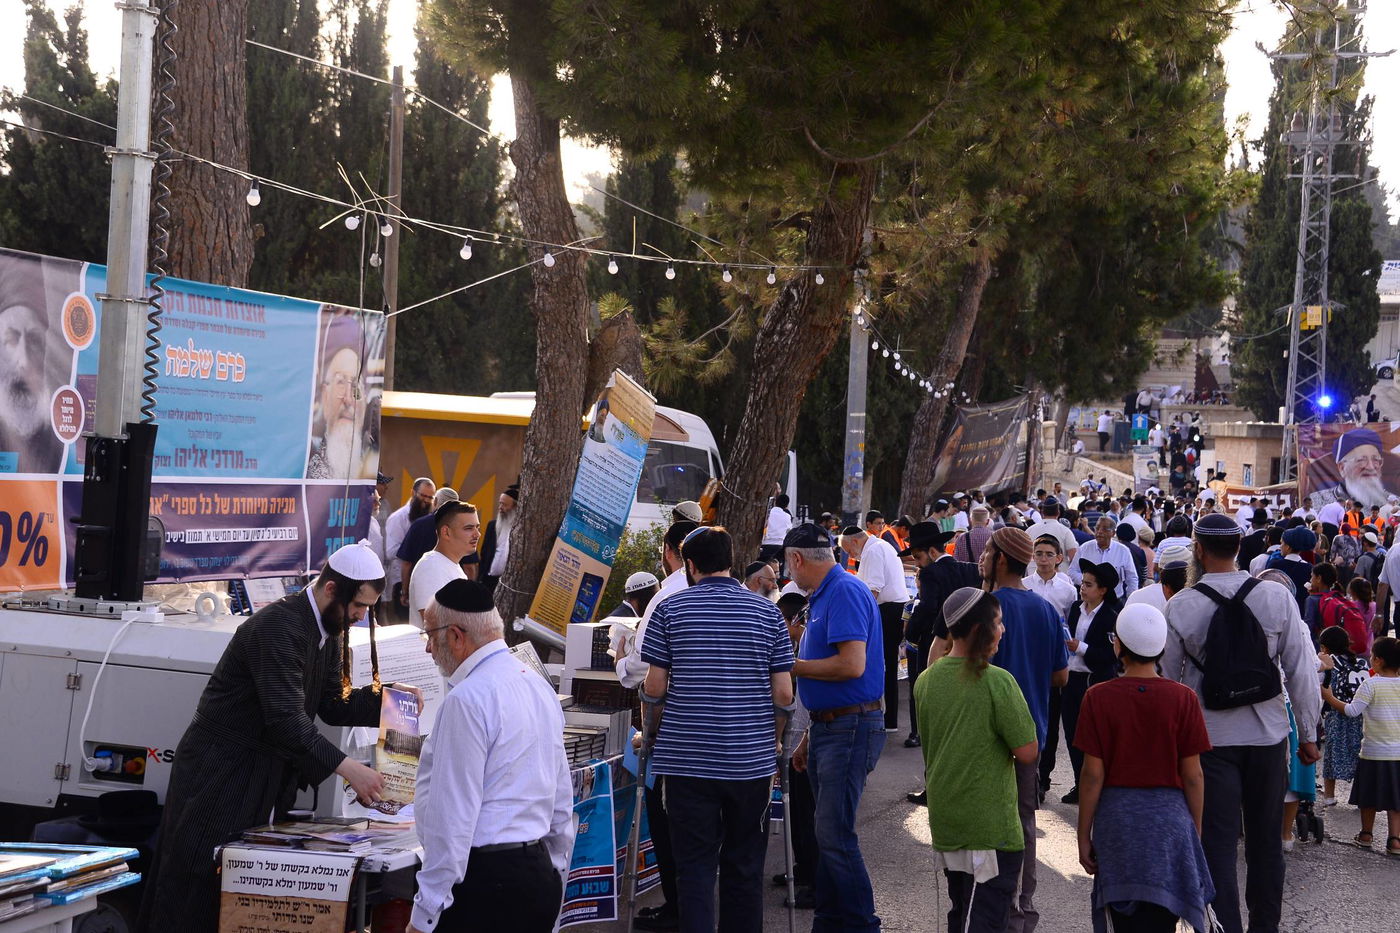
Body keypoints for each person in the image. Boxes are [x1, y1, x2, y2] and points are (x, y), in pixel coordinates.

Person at [139, 543, 420, 931]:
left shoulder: (329, 626)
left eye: (368, 608)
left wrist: (389, 699)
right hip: (221, 771)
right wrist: (350, 769)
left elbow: (332, 704)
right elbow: (286, 719)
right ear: (331, 589)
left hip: (263, 772)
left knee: (243, 885)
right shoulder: (278, 626)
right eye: (359, 606)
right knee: (199, 880)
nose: (361, 616)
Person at [1160, 513, 1322, 933]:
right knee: (1267, 842)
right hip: (1268, 736)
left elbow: (1168, 685)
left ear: (1198, 550)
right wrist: (1308, 735)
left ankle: (1222, 927)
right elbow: (1301, 672)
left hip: (1209, 741)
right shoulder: (1276, 598)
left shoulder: (1181, 605)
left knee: (1216, 842)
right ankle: (1264, 926)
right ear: (1238, 548)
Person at [640, 526, 795, 932]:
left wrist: (650, 731)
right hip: (750, 762)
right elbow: (783, 693)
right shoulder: (767, 614)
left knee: (693, 867)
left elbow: (654, 687)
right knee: (744, 866)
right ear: (732, 562)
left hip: (686, 761)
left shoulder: (669, 610)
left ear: (690, 566)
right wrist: (774, 739)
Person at [410, 579, 573, 933]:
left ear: (455, 636)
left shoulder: (467, 699)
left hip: (485, 887)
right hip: (534, 875)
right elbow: (561, 799)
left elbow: (452, 818)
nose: (428, 649)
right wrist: (556, 872)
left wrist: (424, 915)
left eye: (429, 635)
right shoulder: (537, 685)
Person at [929, 527, 1067, 933]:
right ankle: (1020, 908)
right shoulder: (1044, 610)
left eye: (988, 550)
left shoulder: (985, 611)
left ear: (1002, 558)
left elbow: (947, 667)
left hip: (985, 740)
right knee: (1021, 824)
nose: (982, 556)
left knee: (985, 828)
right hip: (1031, 737)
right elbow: (1060, 676)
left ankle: (982, 907)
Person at [1074, 603, 1214, 933]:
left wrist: (1083, 835)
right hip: (1170, 824)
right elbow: (1193, 775)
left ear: (1118, 645)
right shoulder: (1183, 698)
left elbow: (1093, 775)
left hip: (1117, 823)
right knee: (1162, 921)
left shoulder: (1098, 697)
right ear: (1161, 648)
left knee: (1122, 922)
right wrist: (1194, 828)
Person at [916, 588, 1038, 933]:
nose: (1003, 630)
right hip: (992, 826)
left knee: (961, 911)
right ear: (977, 630)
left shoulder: (926, 681)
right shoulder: (997, 681)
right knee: (988, 919)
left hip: (948, 820)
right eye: (998, 623)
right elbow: (1028, 751)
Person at [785, 522, 886, 932]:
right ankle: (829, 923)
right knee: (828, 835)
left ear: (796, 558)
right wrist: (811, 734)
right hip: (834, 727)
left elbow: (852, 665)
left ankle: (863, 925)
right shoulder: (829, 592)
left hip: (850, 727)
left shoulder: (843, 591)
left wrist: (791, 665)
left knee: (835, 835)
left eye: (787, 565)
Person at [613, 519, 696, 932]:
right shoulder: (743, 599)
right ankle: (692, 907)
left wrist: (620, 659)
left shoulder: (669, 594)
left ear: (669, 552)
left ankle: (680, 908)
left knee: (671, 821)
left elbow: (644, 670)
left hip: (676, 729)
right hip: (728, 737)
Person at [903, 522, 979, 776]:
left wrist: (910, 633)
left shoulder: (930, 574)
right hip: (965, 646)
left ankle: (933, 777)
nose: (918, 563)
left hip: (933, 644)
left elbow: (926, 608)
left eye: (918, 557)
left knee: (931, 704)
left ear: (931, 552)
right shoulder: (968, 570)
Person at [1321, 635, 1400, 855]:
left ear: (1378, 661)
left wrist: (1329, 697)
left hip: (1373, 752)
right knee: (1397, 800)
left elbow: (1352, 711)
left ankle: (1366, 834)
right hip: (1398, 753)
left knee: (1368, 796)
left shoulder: (1371, 685)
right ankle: (1395, 840)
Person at [1059, 561, 1122, 804]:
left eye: (1088, 584)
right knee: (1073, 735)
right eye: (1082, 583)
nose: (1082, 588)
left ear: (1102, 589)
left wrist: (1081, 648)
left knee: (1096, 738)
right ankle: (1079, 783)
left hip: (1096, 681)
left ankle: (1101, 785)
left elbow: (1111, 656)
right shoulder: (1076, 608)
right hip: (1072, 679)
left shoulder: (1111, 615)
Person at [838, 524, 910, 733]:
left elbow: (872, 591)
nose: (851, 556)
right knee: (886, 664)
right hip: (892, 610)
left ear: (855, 541)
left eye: (849, 551)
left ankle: (888, 719)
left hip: (889, 611)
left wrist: (858, 617)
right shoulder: (878, 546)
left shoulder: (873, 550)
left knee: (883, 664)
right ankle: (889, 718)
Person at [407, 500, 481, 630]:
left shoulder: (450, 566)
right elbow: (435, 627)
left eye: (477, 527)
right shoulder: (431, 567)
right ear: (446, 532)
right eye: (469, 528)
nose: (477, 534)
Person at [1317, 625, 1369, 808]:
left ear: (1324, 647)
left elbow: (1320, 687)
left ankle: (1329, 796)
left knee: (1332, 754)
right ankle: (1361, 796)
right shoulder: (1362, 662)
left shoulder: (1330, 663)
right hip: (1361, 716)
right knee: (1359, 754)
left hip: (1337, 714)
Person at [385, 477, 435, 620]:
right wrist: (413, 548)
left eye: (430, 497)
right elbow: (390, 552)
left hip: (424, 579)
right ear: (413, 492)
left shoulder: (430, 519)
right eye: (423, 496)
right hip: (402, 579)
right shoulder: (398, 518)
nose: (426, 500)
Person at [1314, 428, 1391, 511]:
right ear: (1342, 468)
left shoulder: (1392, 500)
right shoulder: (1318, 500)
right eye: (1361, 460)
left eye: (1375, 459)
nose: (1370, 467)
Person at [1076, 517, 1138, 603]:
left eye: (1105, 529)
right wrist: (1089, 583)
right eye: (1097, 528)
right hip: (1089, 600)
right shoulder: (1084, 548)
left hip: (1114, 601)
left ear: (1113, 533)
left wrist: (1130, 601)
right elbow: (1072, 571)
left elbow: (1131, 578)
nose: (1099, 532)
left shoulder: (1123, 551)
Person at [478, 484, 518, 593]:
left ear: (515, 507)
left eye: (505, 505)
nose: (500, 508)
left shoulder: (520, 529)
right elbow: (485, 552)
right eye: (500, 503)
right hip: (488, 580)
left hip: (507, 583)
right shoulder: (492, 526)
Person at [760, 494, 795, 567]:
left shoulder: (768, 513)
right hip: (779, 546)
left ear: (776, 502)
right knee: (778, 567)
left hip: (765, 544)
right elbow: (789, 531)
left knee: (762, 566)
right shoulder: (787, 516)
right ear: (787, 505)